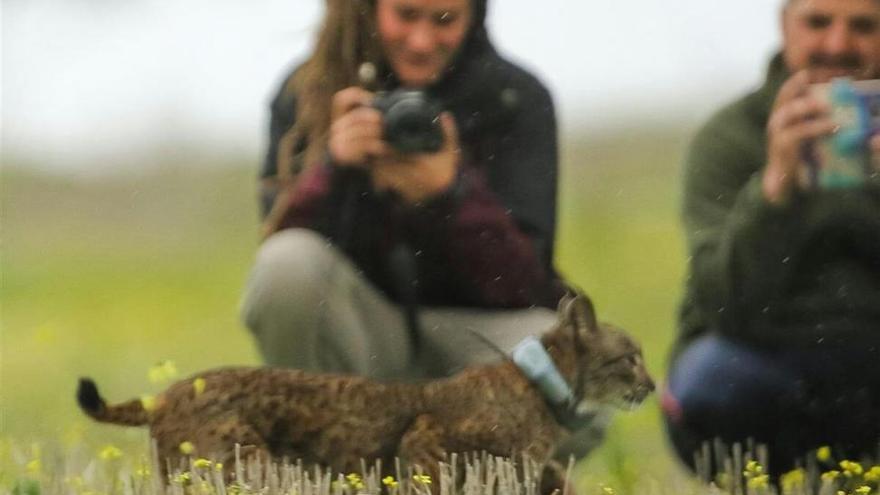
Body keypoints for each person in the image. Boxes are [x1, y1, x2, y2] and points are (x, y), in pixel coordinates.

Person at [240, 0, 605, 460]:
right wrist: (334, 170)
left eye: (444, 20)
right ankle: (325, 459)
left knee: (558, 360)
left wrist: (451, 195)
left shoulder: (514, 97)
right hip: (364, 344)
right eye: (406, 15)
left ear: (474, 18)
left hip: (475, 346)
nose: (421, 40)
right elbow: (277, 244)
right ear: (371, 11)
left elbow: (525, 282)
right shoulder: (309, 91)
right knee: (286, 266)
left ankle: (505, 475)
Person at [663, 0, 880, 476]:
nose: (838, 45)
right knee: (713, 386)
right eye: (818, 22)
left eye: (863, 26)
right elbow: (726, 307)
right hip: (768, 361)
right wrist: (775, 187)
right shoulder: (730, 137)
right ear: (785, 29)